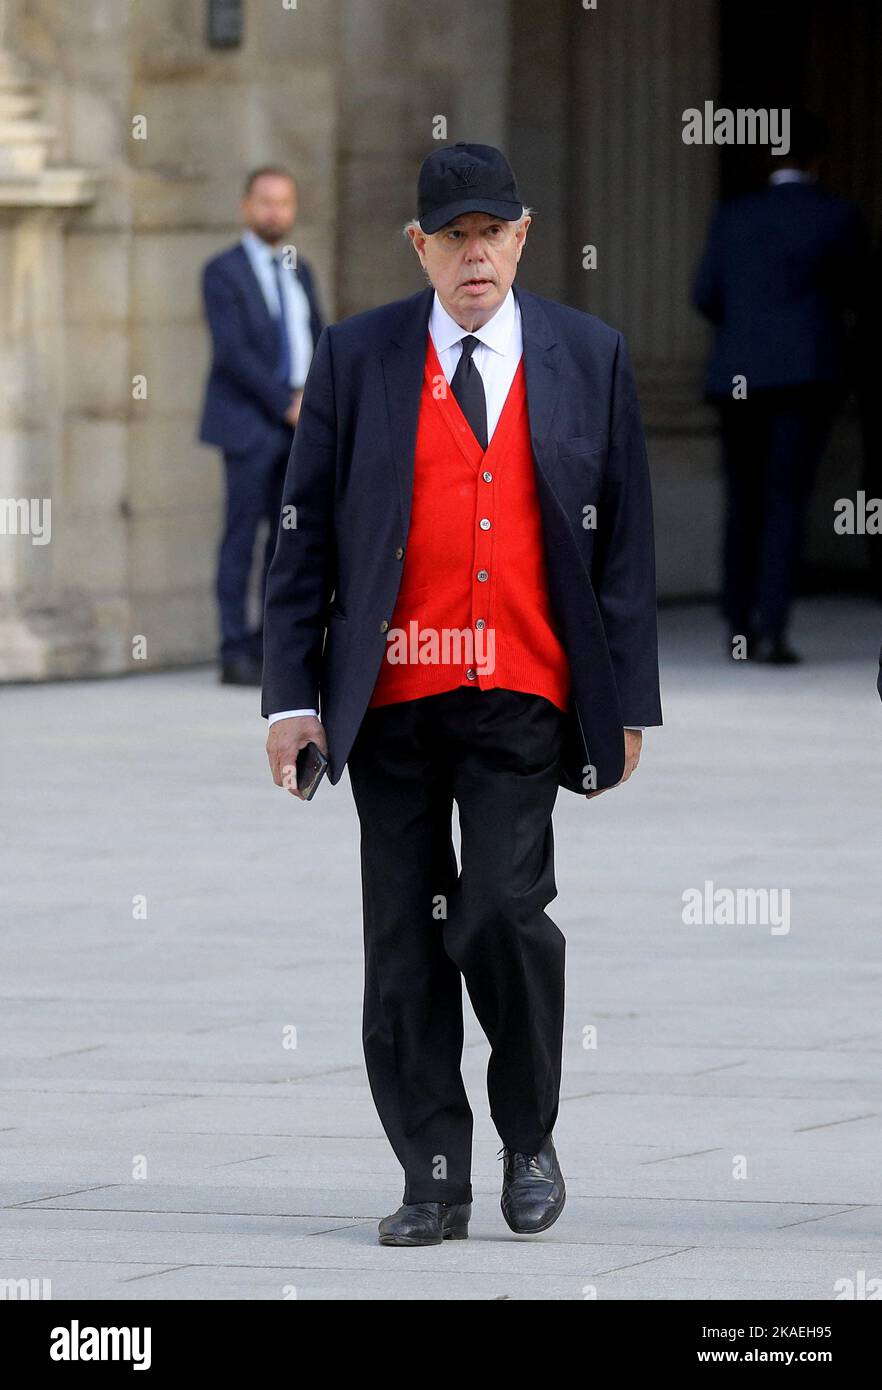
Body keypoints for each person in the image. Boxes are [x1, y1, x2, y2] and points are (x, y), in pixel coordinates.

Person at [262, 143, 662, 1244]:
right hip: (390, 699)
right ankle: (433, 1176)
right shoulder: (358, 358)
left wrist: (627, 703)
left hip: (520, 692)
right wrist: (288, 696)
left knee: (497, 909)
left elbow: (624, 546)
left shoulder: (591, 356)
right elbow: (300, 543)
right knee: (400, 943)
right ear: (421, 247)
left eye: (494, 231)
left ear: (523, 238)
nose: (474, 252)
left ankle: (527, 1133)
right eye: (454, 234)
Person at [693, 113, 864, 663]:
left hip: (737, 375)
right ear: (820, 161)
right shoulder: (837, 215)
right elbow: (859, 292)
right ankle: (773, 629)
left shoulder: (733, 216)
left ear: (772, 159)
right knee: (786, 500)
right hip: (804, 374)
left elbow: (705, 294)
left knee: (744, 499)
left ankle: (737, 626)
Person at [199, 166, 325, 685]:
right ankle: (234, 648)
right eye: (265, 201)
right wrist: (284, 403)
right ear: (246, 207)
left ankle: (274, 649)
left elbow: (320, 339)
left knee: (287, 540)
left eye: (284, 202)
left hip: (297, 424)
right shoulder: (222, 271)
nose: (275, 211)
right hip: (250, 423)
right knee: (240, 536)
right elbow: (233, 353)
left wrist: (315, 401)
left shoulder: (301, 270)